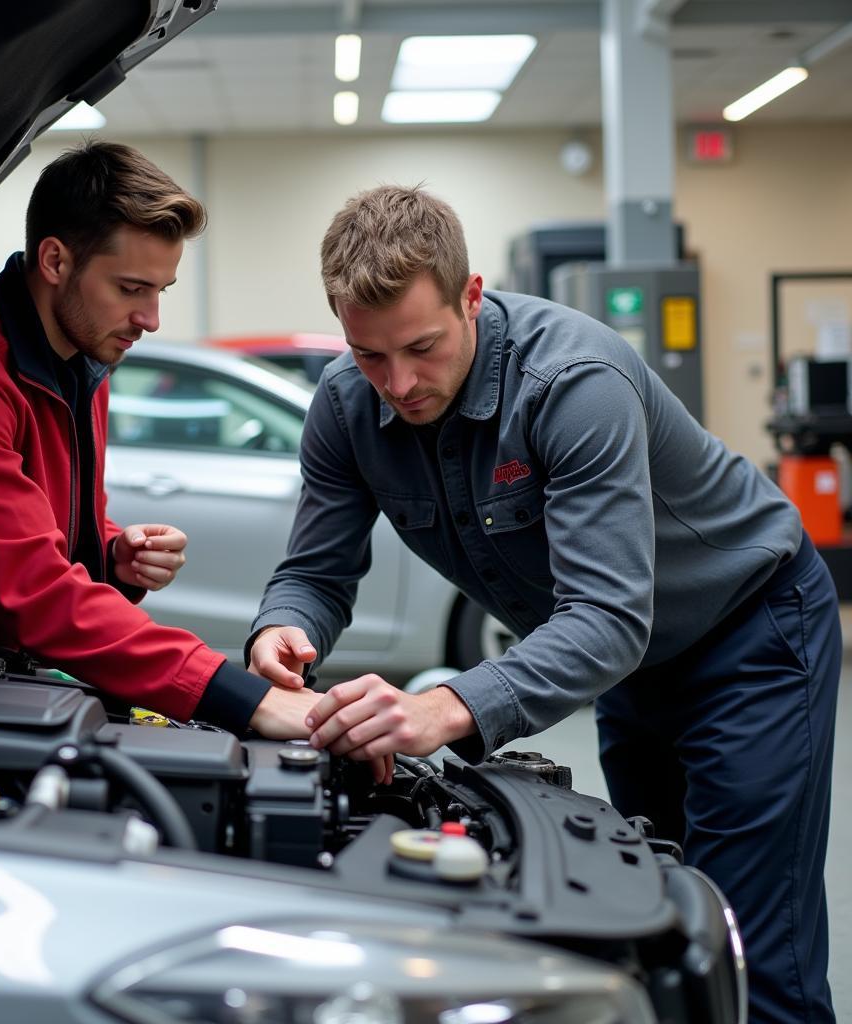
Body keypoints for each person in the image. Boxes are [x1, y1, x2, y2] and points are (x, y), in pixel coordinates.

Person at [246, 184, 840, 1024]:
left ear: (473, 296)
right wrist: (284, 627)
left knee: (749, 949)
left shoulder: (574, 383)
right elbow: (314, 572)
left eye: (421, 346)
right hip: (631, 666)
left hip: (752, 631)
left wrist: (442, 708)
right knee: (655, 915)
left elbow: (605, 617)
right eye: (370, 355)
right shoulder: (346, 404)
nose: (400, 384)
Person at [0, 141, 317, 741]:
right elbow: (32, 590)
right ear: (56, 260)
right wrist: (242, 697)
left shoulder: (81, 357)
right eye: (132, 287)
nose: (151, 318)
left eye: (160, 290)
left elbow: (41, 539)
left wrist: (112, 555)